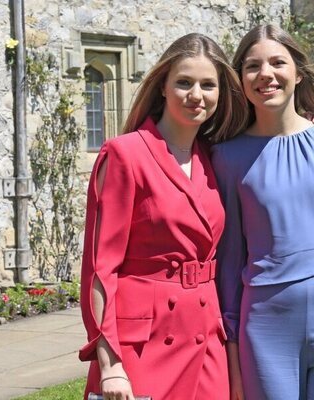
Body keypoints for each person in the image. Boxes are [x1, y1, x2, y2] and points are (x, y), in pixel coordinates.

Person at [79, 33, 248, 400]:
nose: (196, 95)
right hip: (144, 345)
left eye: (208, 85)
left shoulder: (213, 158)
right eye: (184, 83)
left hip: (206, 340)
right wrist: (111, 365)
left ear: (221, 94)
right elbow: (100, 268)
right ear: (162, 88)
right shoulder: (126, 154)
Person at [212, 24, 314, 400]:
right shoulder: (227, 157)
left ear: (298, 72)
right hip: (267, 330)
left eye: (277, 62)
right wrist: (233, 353)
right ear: (240, 79)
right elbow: (228, 262)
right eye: (253, 66)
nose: (265, 74)